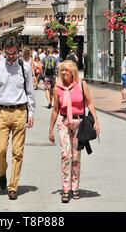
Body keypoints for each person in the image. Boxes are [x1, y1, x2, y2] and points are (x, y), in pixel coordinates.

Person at [0, 36, 35, 200]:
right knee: (0, 150)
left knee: (18, 152)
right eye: (8, 54)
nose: (10, 57)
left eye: (13, 54)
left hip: (20, 112)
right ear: (4, 52)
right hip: (2, 113)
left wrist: (31, 113)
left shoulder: (25, 67)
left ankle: (13, 187)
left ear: (18, 52)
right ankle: (1, 171)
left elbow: (30, 90)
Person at [49, 61, 100, 203]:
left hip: (79, 123)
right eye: (62, 70)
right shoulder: (57, 88)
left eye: (66, 70)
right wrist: (50, 129)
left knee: (76, 157)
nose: (64, 73)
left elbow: (89, 102)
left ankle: (75, 187)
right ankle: (66, 189)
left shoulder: (81, 84)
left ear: (73, 72)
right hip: (64, 122)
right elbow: (55, 110)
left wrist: (96, 120)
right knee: (66, 155)